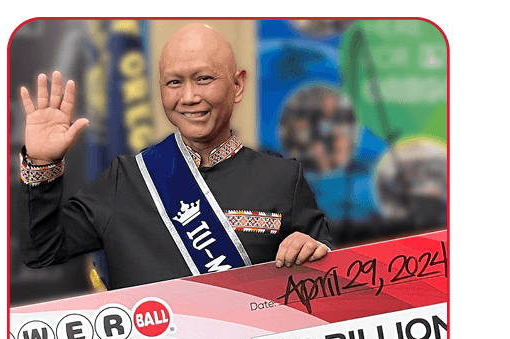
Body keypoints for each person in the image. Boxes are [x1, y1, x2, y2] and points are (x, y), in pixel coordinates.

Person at [17, 22, 331, 290]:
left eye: (204, 79)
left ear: (237, 85)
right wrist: (42, 163)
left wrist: (315, 255)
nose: (189, 97)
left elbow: (334, 286)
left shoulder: (282, 180)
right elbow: (42, 251)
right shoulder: (126, 179)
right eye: (174, 82)